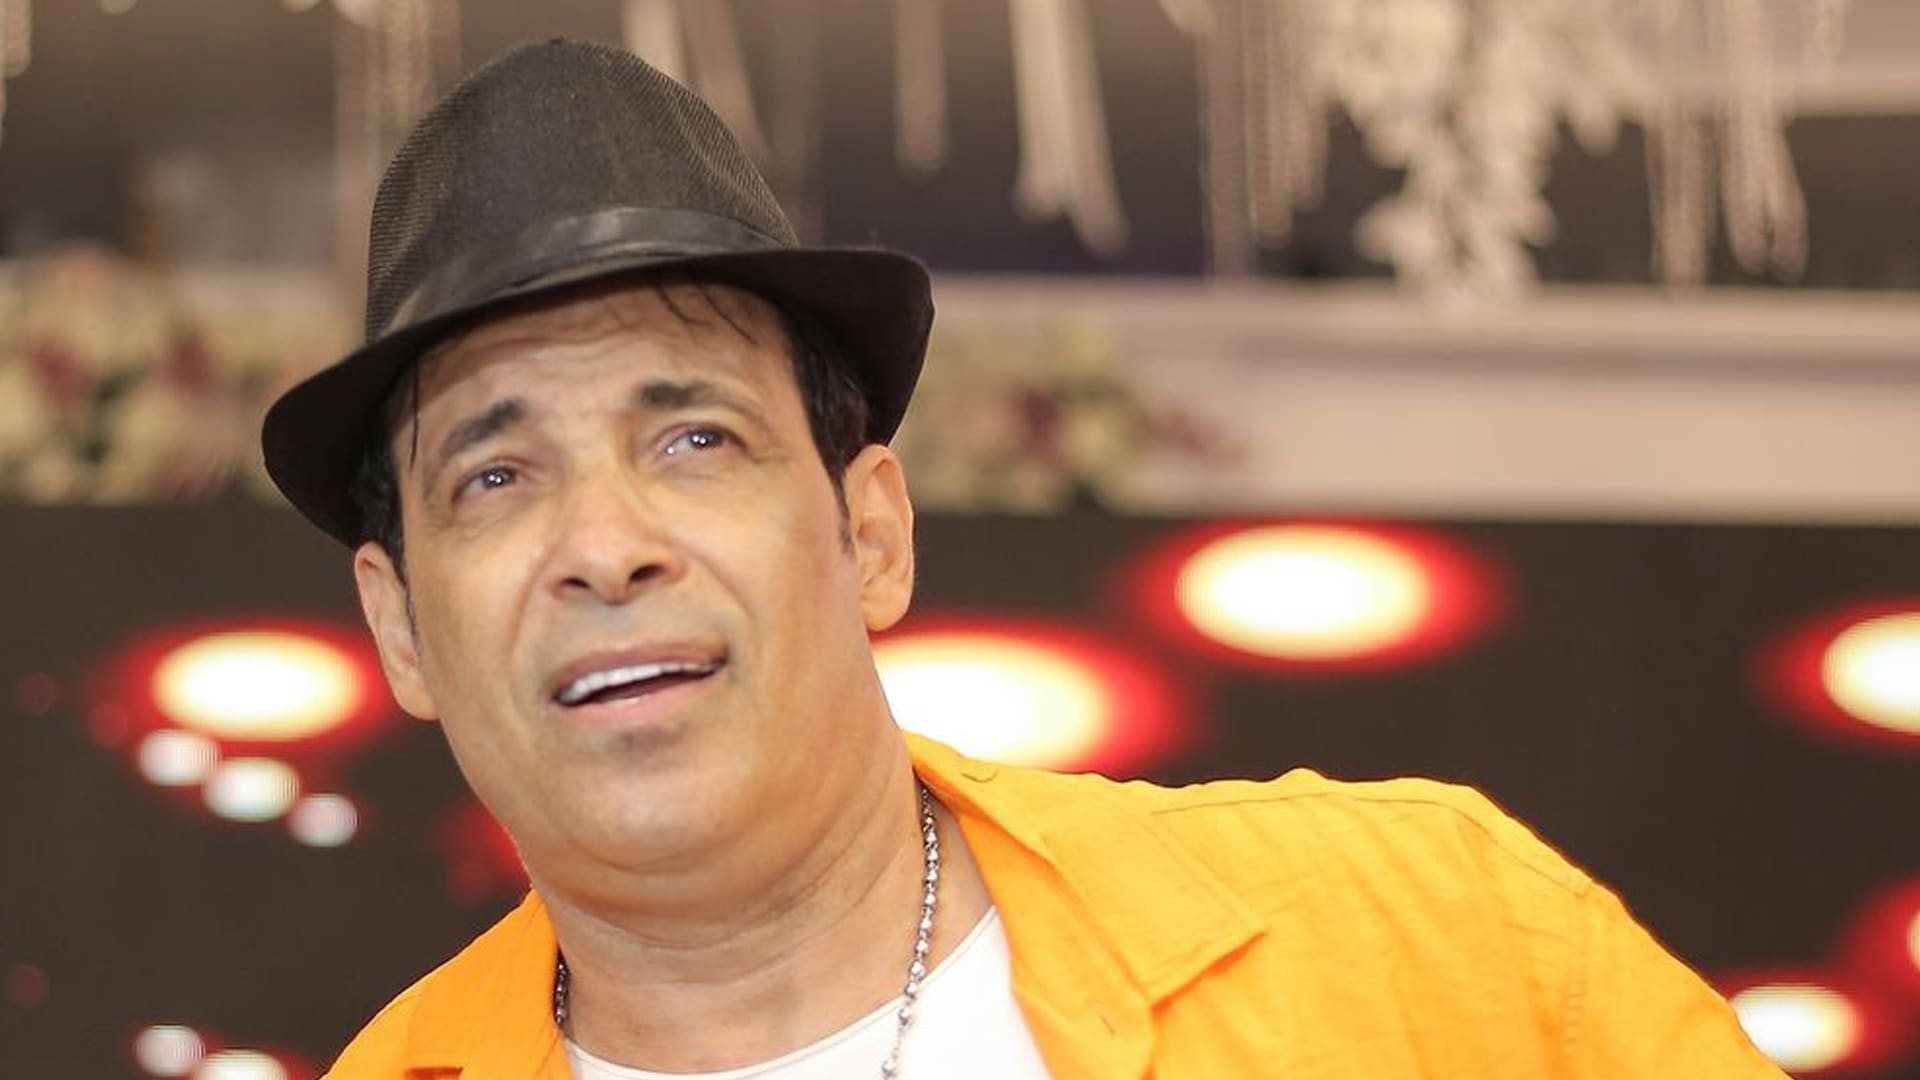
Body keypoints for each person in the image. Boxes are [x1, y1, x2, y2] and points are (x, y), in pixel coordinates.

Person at [261, 39, 1788, 1080]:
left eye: (696, 440)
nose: (604, 547)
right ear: (402, 631)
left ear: (870, 534)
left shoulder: (1429, 940)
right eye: (497, 475)